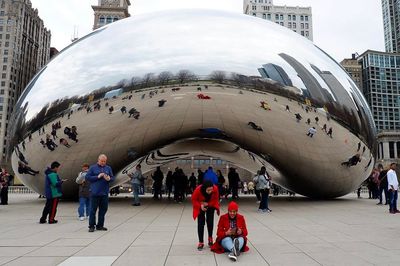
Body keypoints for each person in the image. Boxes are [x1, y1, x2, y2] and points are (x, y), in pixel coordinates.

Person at [86, 154, 114, 232]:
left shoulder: (108, 168)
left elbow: (112, 178)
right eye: (102, 161)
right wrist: (97, 177)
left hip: (104, 193)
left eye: (104, 161)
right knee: (93, 210)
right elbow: (87, 177)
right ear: (98, 160)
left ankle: (100, 225)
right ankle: (91, 226)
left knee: (103, 210)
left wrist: (109, 178)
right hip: (94, 193)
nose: (103, 162)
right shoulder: (92, 168)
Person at [192, 180, 220, 250]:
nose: (210, 191)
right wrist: (200, 206)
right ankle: (201, 242)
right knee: (201, 223)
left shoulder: (215, 188)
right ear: (204, 188)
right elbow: (194, 199)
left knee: (210, 222)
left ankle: (210, 238)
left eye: (211, 189)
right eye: (208, 190)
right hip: (200, 205)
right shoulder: (198, 190)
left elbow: (216, 199)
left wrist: (208, 204)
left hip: (211, 205)